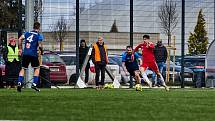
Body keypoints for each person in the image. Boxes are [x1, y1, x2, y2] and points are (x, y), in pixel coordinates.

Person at [17, 22, 43, 92]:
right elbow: (40, 45)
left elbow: (19, 39)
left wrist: (20, 48)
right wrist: (41, 51)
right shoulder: (38, 35)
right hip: (33, 54)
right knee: (37, 68)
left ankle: (19, 83)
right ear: (39, 28)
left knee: (23, 68)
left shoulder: (27, 33)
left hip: (25, 54)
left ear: (33, 27)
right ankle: (34, 84)